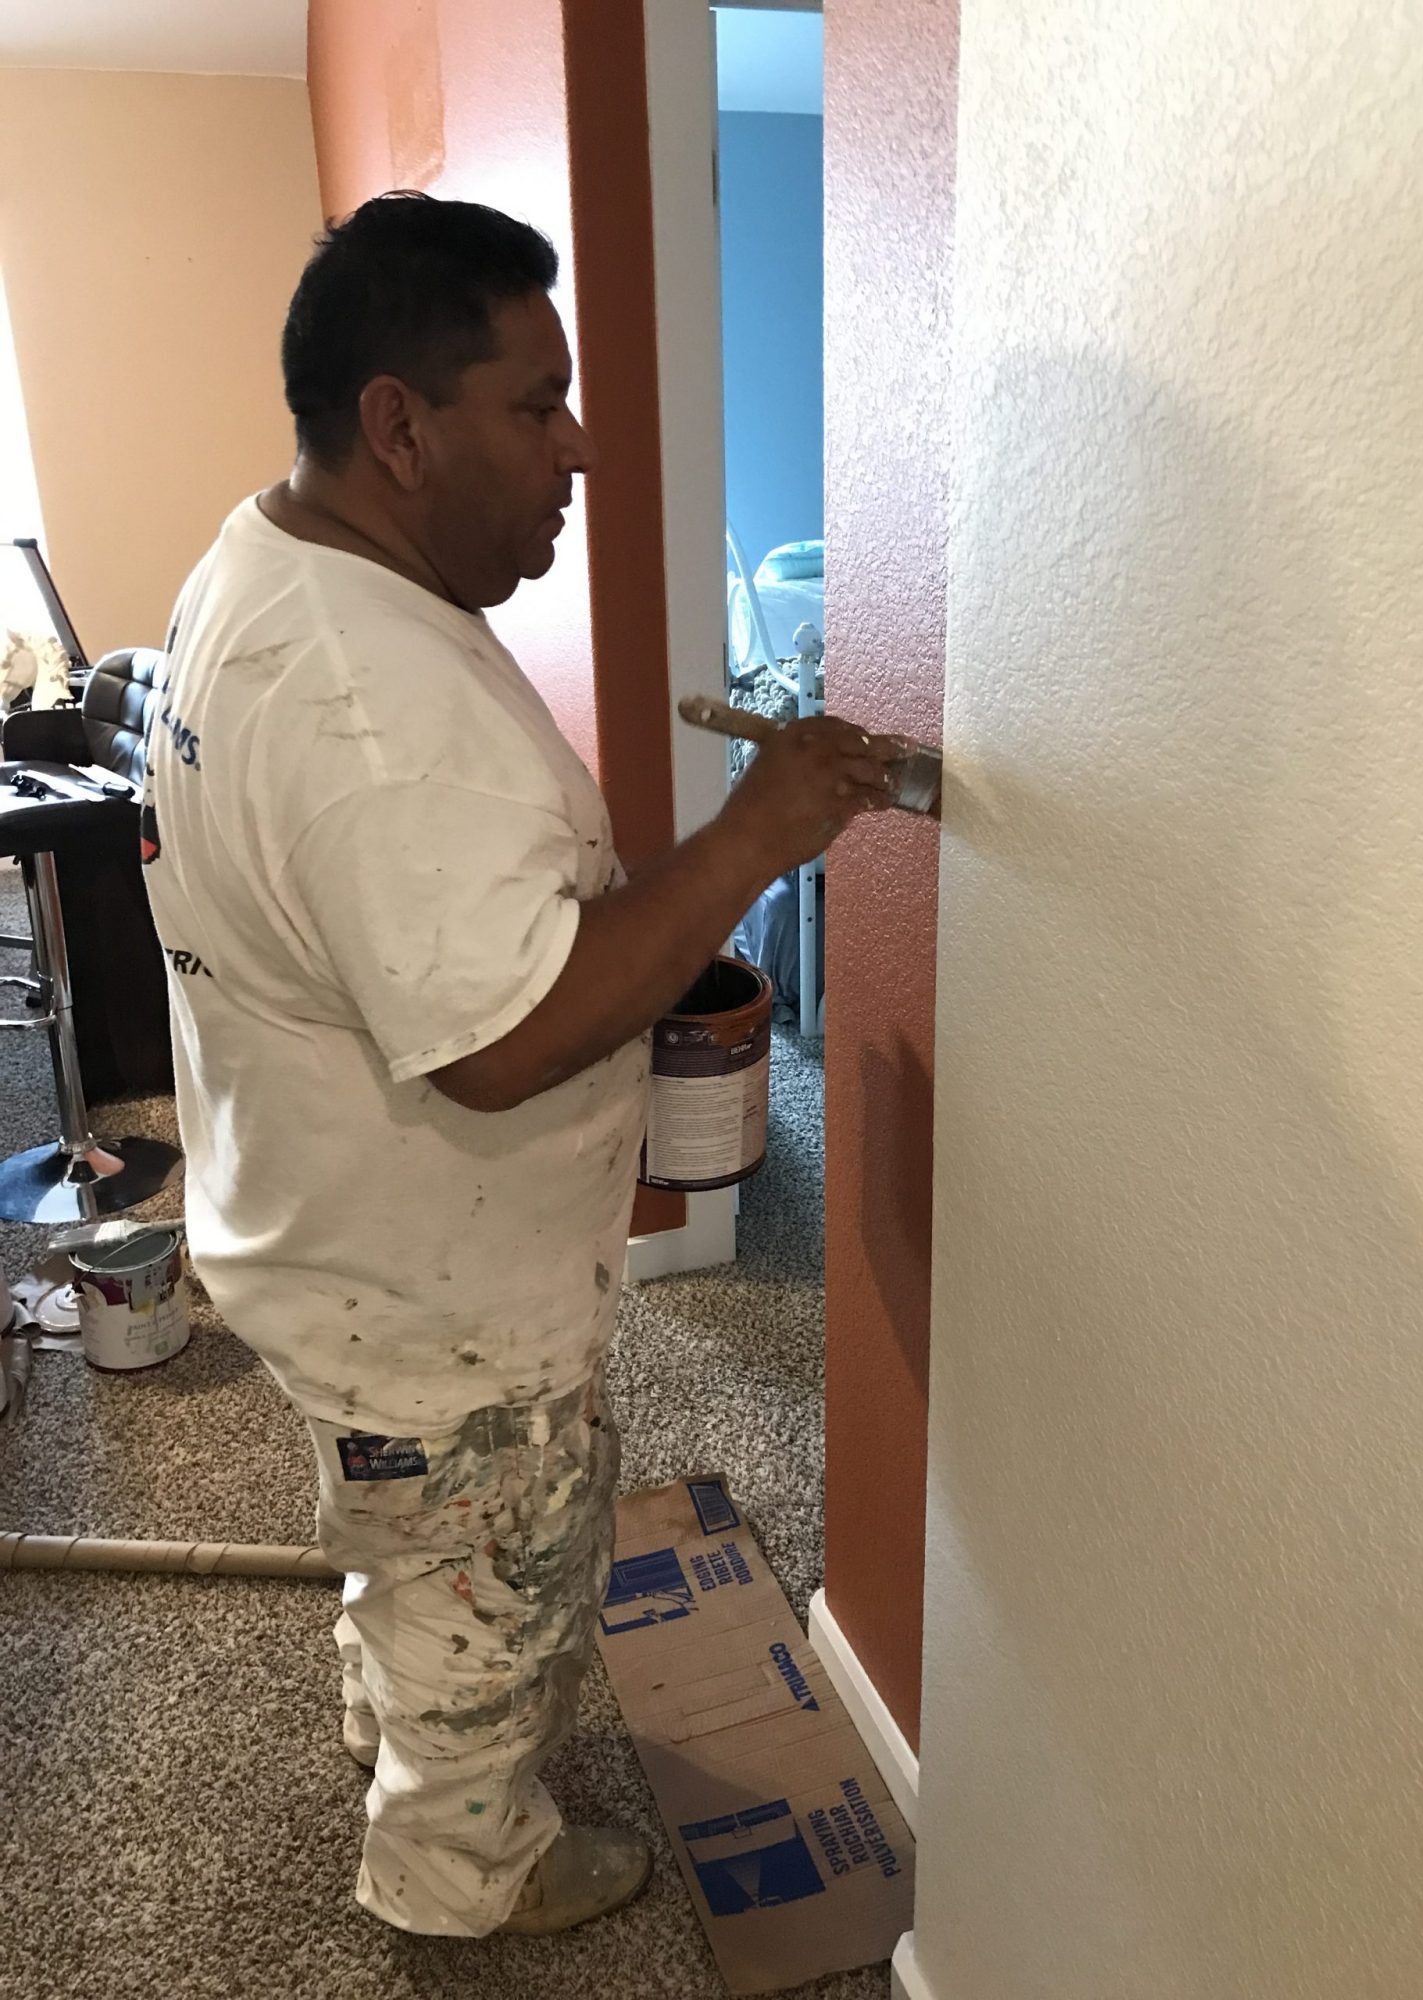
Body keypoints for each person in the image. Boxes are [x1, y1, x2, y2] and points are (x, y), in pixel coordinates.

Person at [142, 192, 901, 1942]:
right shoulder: (365, 707)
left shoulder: (272, 560)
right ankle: (462, 1869)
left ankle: (390, 1690)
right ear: (399, 427)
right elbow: (497, 1044)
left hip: (324, 1227)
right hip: (431, 1298)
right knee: (496, 1581)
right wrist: (754, 836)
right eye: (536, 404)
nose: (580, 451)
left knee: (412, 1541)